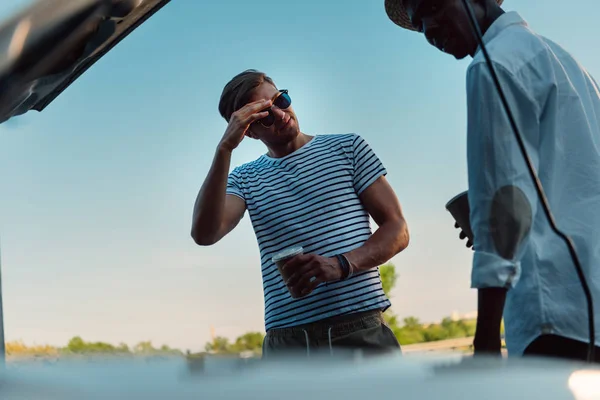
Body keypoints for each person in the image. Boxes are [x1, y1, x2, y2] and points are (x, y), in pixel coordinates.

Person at [384, 0, 600, 362]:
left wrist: (485, 341)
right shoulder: (565, 61)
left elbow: (506, 210)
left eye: (434, 8)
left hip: (551, 311)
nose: (430, 31)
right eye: (420, 24)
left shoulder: (491, 65)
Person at [191, 69, 409, 358]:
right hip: (288, 345)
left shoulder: (348, 148)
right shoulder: (244, 178)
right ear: (249, 131)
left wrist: (341, 264)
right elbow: (205, 233)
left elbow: (398, 229)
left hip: (360, 331)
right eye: (265, 116)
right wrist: (224, 149)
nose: (281, 115)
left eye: (281, 101)